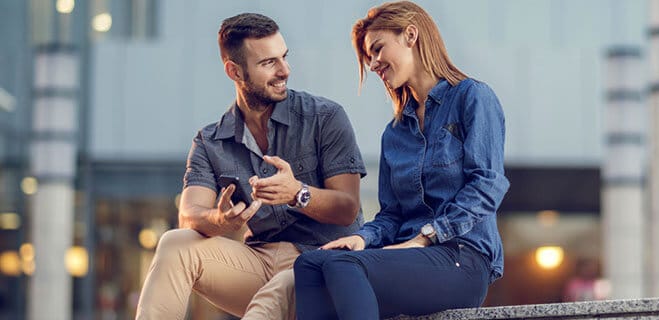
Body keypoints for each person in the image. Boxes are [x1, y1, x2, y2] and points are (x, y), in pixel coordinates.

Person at [135, 13, 366, 320]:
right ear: (234, 70)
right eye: (268, 62)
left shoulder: (324, 117)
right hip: (257, 262)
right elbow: (190, 214)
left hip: (323, 263)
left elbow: (348, 207)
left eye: (283, 57)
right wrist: (219, 220)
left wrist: (298, 193)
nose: (284, 70)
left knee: (269, 303)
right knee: (175, 244)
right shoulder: (211, 141)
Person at [293, 1, 510, 319]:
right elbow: (392, 215)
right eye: (370, 57)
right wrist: (361, 237)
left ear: (411, 34)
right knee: (309, 263)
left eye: (378, 49)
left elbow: (488, 185)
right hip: (408, 259)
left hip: (462, 257)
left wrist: (426, 237)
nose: (373, 64)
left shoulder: (472, 97)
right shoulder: (394, 133)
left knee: (343, 266)